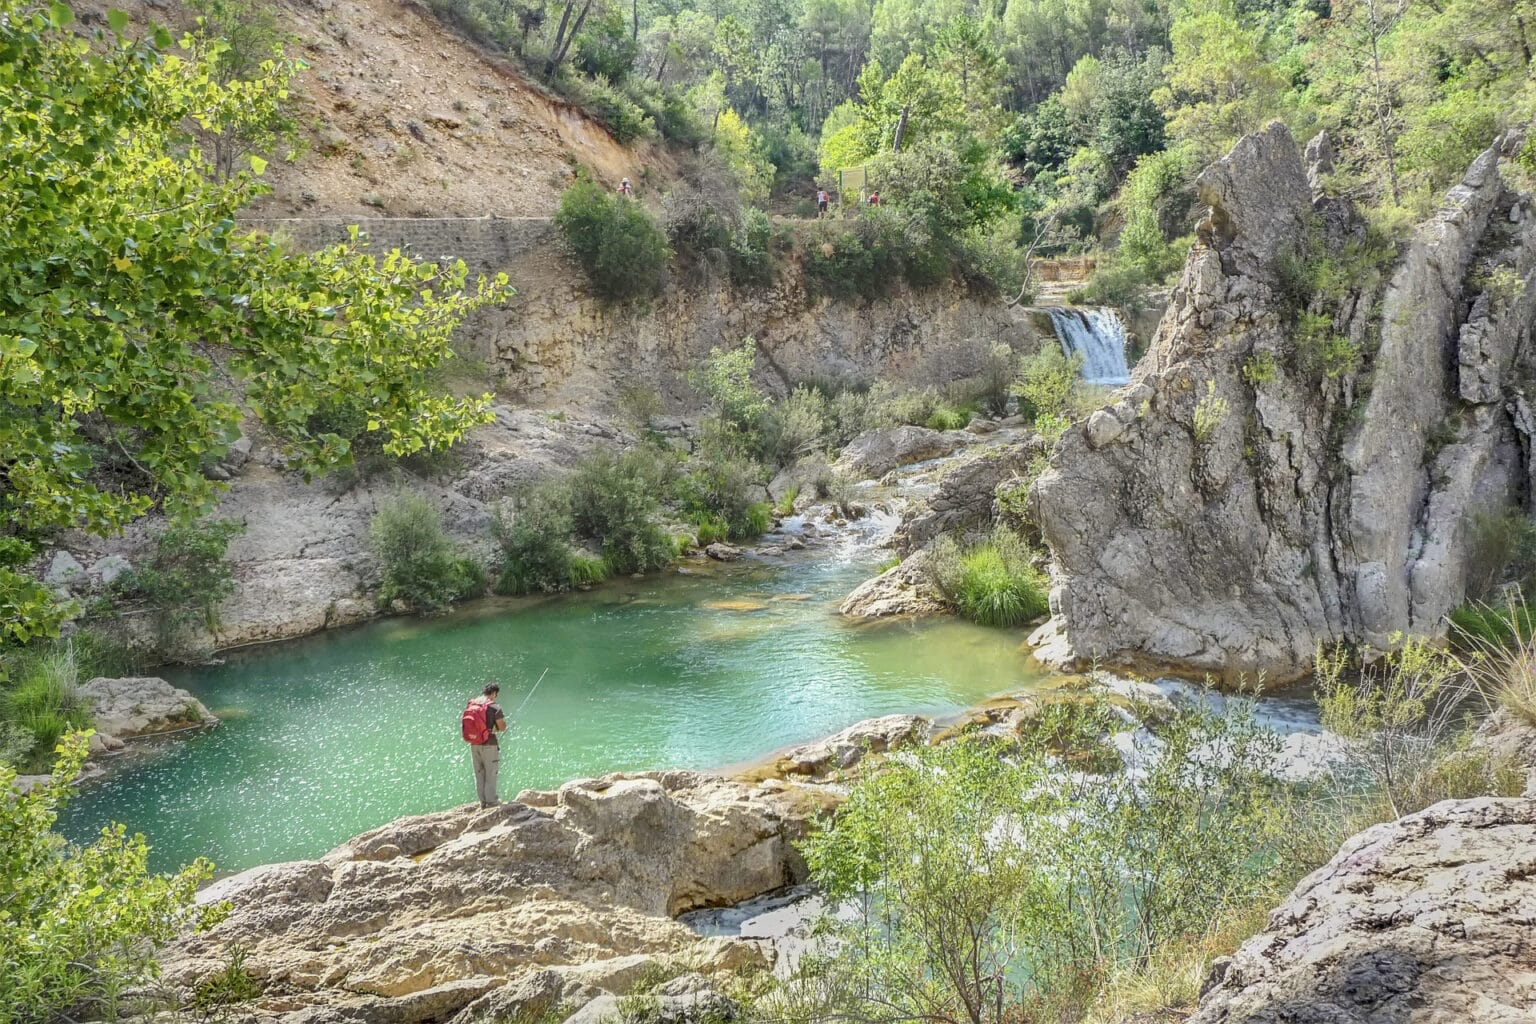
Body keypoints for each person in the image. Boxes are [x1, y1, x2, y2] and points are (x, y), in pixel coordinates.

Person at [463, 681, 507, 808]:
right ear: (493, 693)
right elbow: (502, 726)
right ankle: (491, 801)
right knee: (491, 772)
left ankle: (482, 801)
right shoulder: (494, 707)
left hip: (474, 743)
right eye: (496, 695)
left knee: (479, 772)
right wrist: (498, 728)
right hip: (489, 745)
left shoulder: (472, 704)